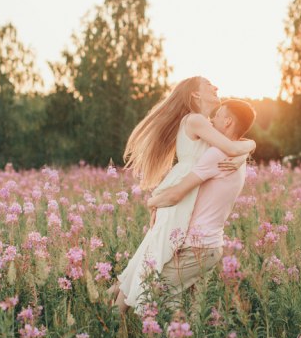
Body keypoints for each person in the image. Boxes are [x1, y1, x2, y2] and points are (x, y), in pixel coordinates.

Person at [109, 77, 255, 313]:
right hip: (181, 191)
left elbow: (229, 147)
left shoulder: (205, 124)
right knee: (153, 254)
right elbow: (229, 147)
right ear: (195, 94)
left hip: (184, 192)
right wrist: (249, 147)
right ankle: (118, 311)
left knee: (152, 253)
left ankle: (118, 308)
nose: (215, 87)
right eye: (209, 85)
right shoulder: (196, 120)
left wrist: (244, 150)